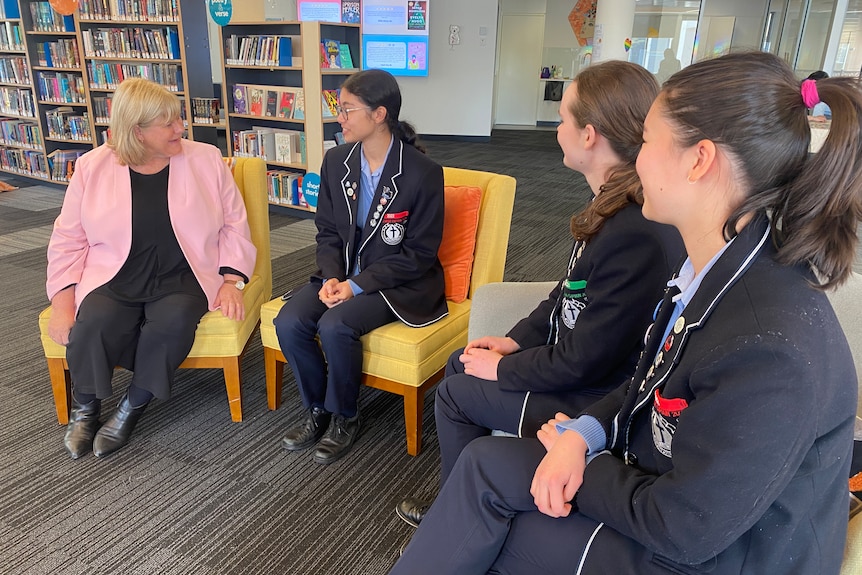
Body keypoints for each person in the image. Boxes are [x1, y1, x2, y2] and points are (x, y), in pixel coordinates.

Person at [390, 51, 859, 574]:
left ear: (699, 160)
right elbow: (650, 379)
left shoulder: (771, 345)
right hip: (663, 484)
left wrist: (584, 462)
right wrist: (584, 435)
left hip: (707, 553)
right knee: (483, 468)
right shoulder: (722, 270)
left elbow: (685, 528)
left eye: (650, 141)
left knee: (485, 526)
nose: (637, 159)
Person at [396, 60, 683, 527]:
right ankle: (469, 494)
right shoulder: (611, 203)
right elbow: (565, 292)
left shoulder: (633, 230)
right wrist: (512, 341)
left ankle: (455, 515)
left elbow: (588, 360)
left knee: (453, 394)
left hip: (601, 393)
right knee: (460, 362)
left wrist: (507, 368)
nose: (556, 127)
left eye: (563, 117)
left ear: (589, 135)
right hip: (584, 367)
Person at [46, 78, 256, 460]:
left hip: (183, 274)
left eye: (178, 119)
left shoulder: (205, 159)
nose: (181, 129)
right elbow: (68, 240)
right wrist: (62, 303)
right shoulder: (93, 167)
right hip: (115, 272)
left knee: (172, 325)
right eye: (168, 123)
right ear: (137, 131)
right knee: (92, 323)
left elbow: (234, 225)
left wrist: (230, 280)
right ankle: (86, 408)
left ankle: (132, 406)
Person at [274, 69, 446, 465]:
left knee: (336, 325)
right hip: (344, 273)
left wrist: (357, 286)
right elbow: (328, 231)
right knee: (290, 321)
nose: (340, 116)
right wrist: (333, 275)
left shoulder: (422, 173)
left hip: (399, 280)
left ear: (379, 114)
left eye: (347, 108)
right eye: (340, 107)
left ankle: (345, 415)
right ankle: (318, 408)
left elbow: (419, 254)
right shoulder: (337, 161)